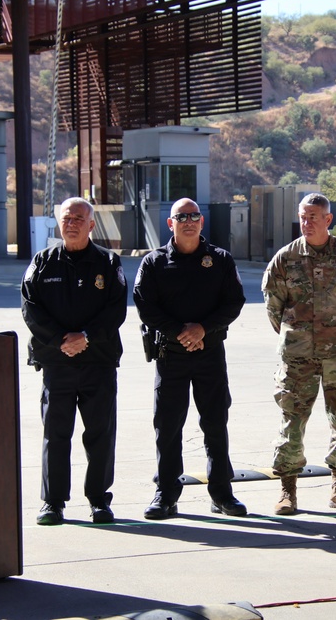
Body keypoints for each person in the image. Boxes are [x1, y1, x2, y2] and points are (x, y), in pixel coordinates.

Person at [133, 198, 247, 520]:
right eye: (181, 217)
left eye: (194, 215)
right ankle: (166, 494)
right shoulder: (154, 263)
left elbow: (234, 302)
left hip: (210, 354)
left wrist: (202, 330)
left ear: (201, 222)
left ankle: (222, 494)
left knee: (215, 424)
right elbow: (145, 306)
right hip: (170, 356)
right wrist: (180, 333)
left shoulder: (220, 260)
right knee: (167, 427)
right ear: (170, 224)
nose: (188, 221)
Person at [262, 193, 336, 515]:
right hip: (298, 356)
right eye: (302, 217)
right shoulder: (285, 259)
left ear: (328, 220)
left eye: (313, 217)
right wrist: (296, 337)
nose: (306, 223)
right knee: (292, 421)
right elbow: (274, 308)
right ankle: (287, 491)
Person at [21, 197, 128, 525]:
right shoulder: (42, 262)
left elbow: (116, 310)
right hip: (57, 363)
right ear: (58, 222)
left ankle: (99, 500)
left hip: (98, 361)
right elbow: (30, 308)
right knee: (56, 433)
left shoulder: (108, 264)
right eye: (67, 218)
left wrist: (87, 337)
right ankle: (53, 502)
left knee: (100, 433)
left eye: (79, 219)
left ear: (91, 225)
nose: (72, 224)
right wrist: (59, 341)